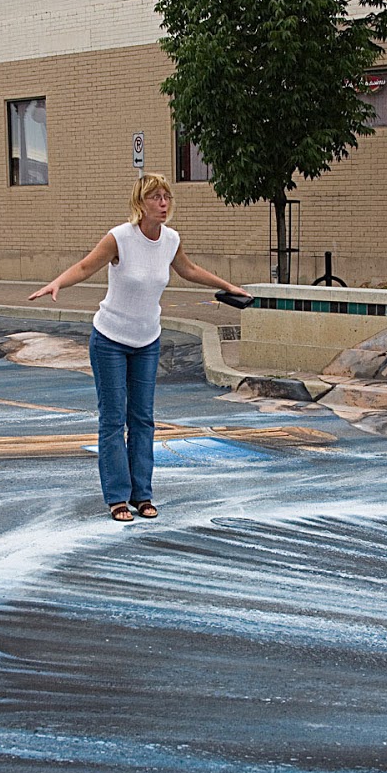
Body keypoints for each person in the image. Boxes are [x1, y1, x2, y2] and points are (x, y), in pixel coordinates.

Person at [30, 174, 248, 522]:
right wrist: (57, 283)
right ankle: (117, 498)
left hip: (147, 341)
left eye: (166, 197)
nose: (163, 203)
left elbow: (189, 270)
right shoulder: (120, 238)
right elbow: (86, 266)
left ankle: (142, 495)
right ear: (140, 203)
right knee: (114, 420)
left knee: (143, 420)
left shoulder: (171, 240)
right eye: (155, 197)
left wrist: (228, 286)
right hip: (110, 340)